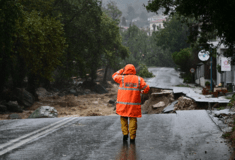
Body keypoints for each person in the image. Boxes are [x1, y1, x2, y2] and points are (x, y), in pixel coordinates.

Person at [112, 64, 150, 143]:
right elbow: (147, 88)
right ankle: (132, 137)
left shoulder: (121, 78)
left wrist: (122, 70)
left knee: (123, 118)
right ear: (134, 70)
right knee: (133, 119)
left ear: (126, 70)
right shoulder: (139, 79)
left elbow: (114, 75)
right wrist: (143, 91)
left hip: (123, 105)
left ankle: (125, 134)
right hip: (133, 105)